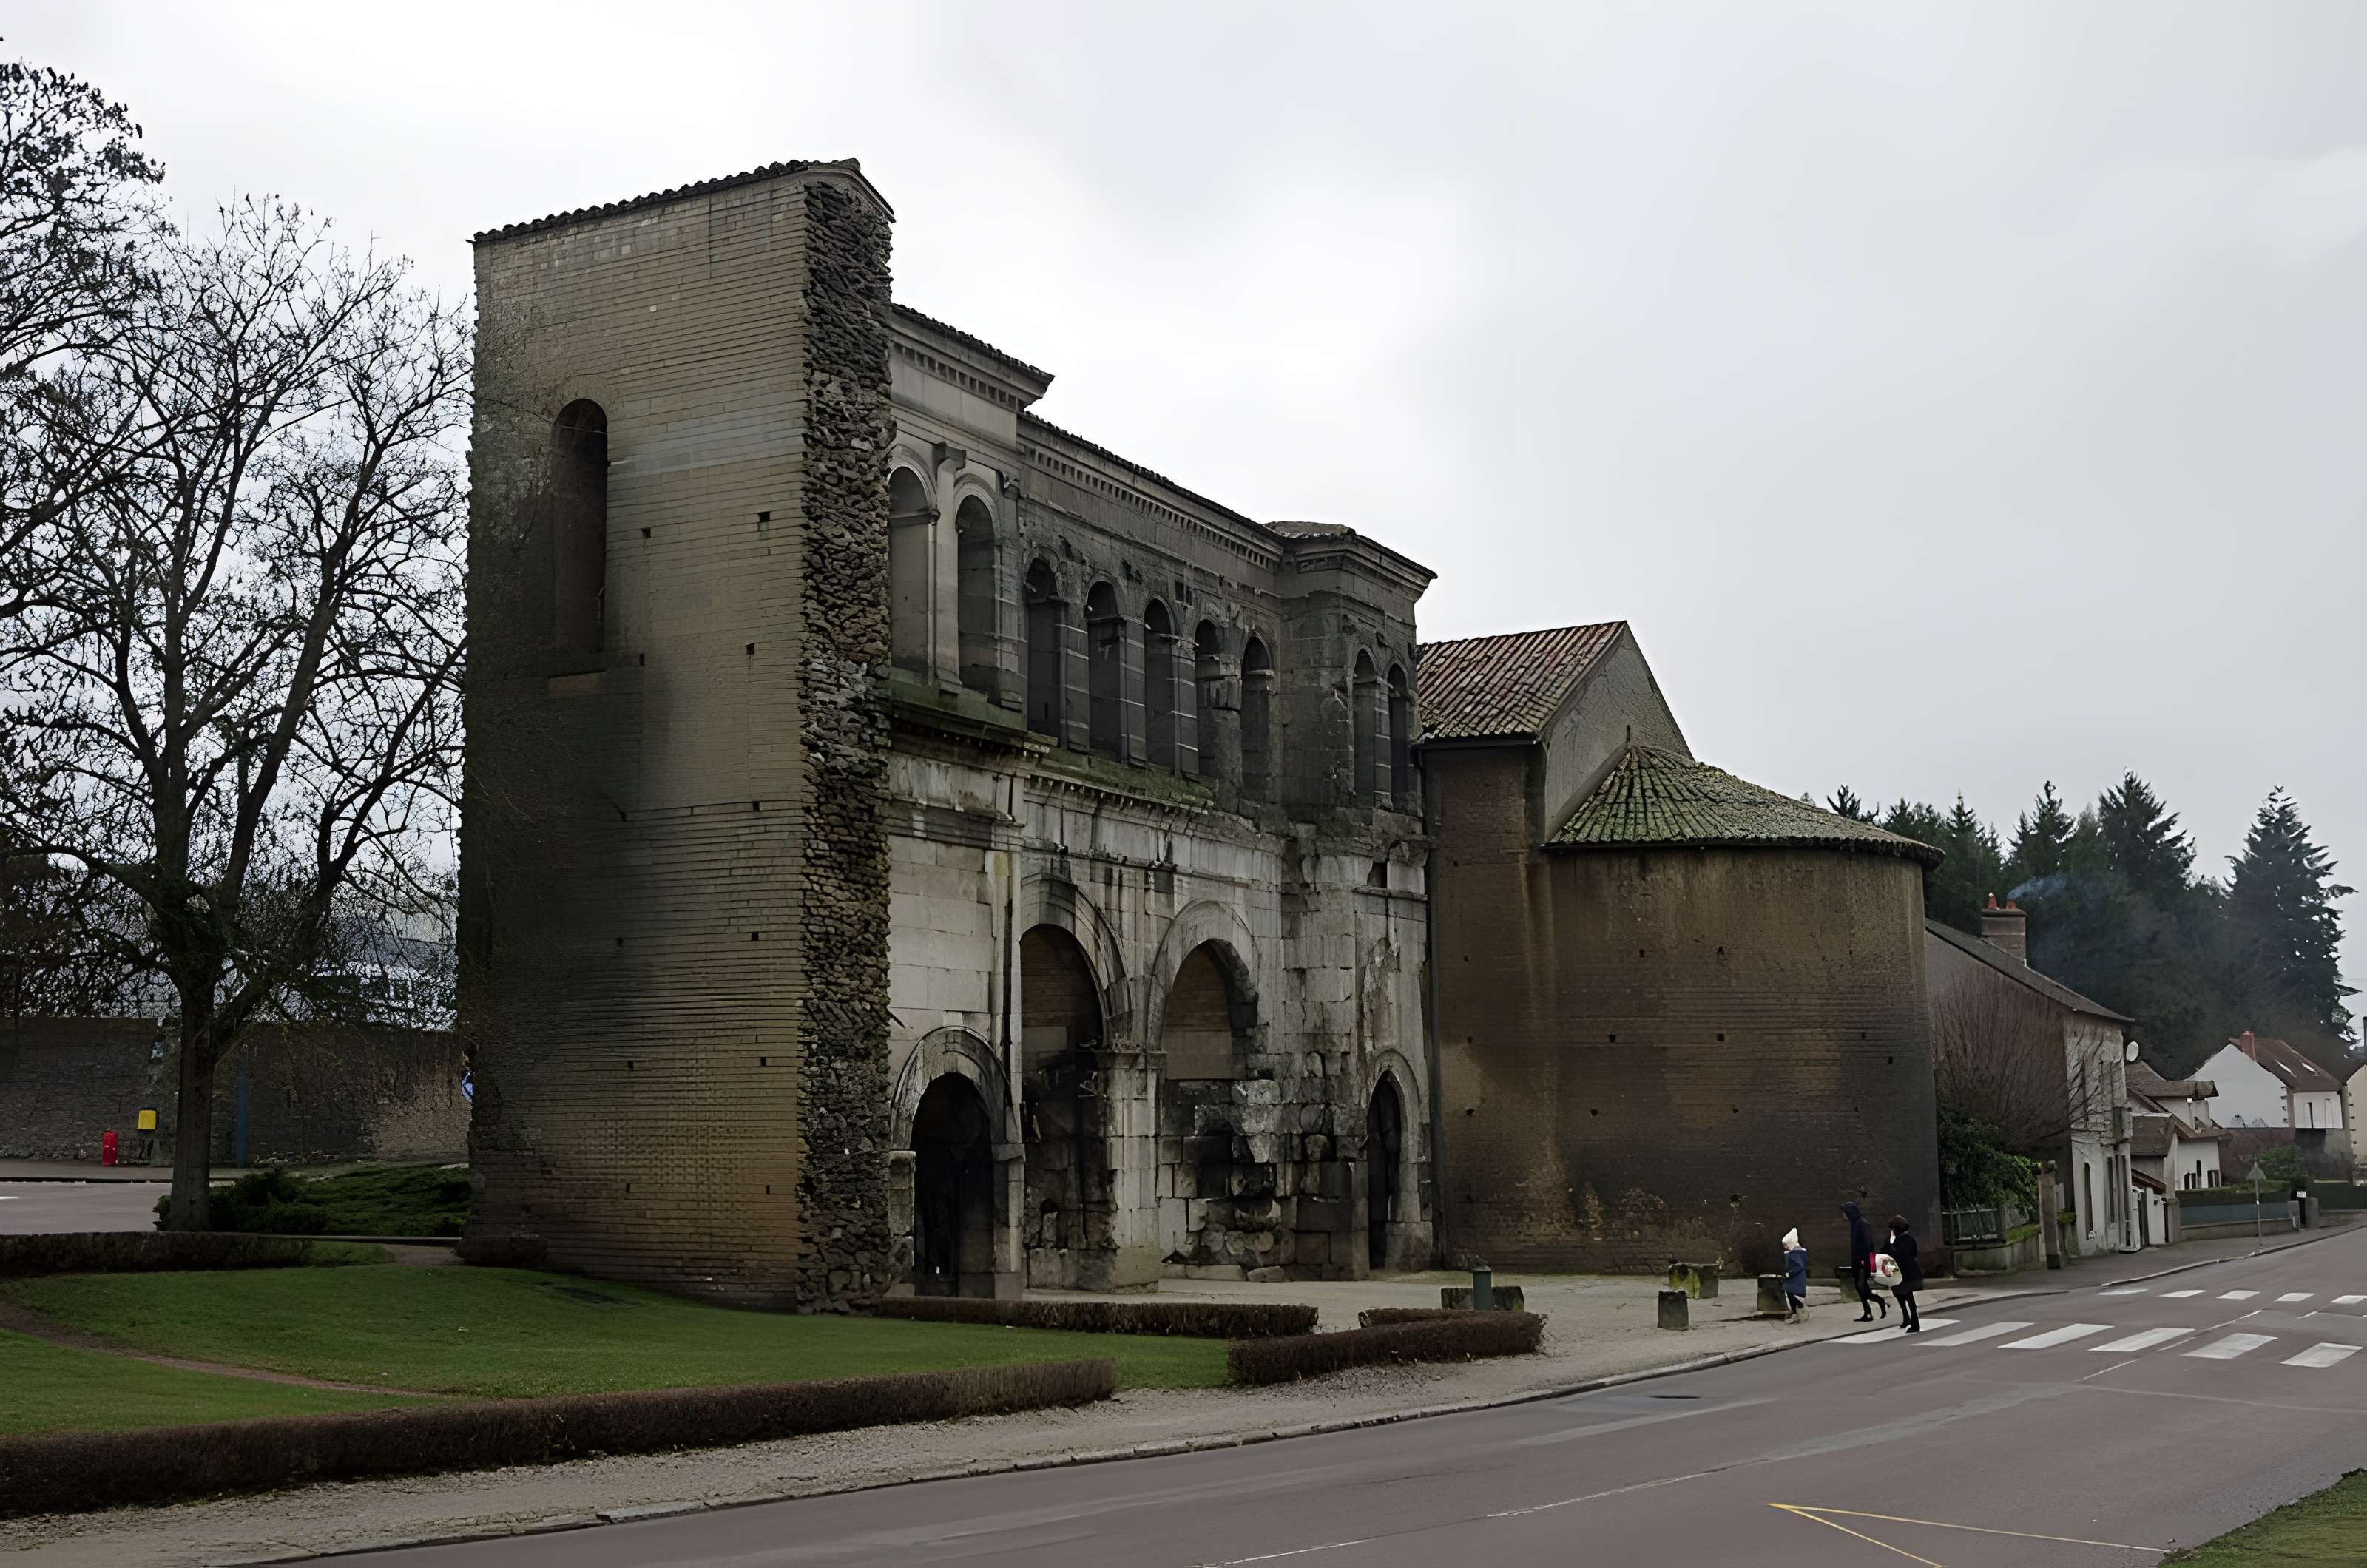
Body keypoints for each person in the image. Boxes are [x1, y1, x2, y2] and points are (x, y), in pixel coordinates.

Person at [1841, 1201, 1885, 1322]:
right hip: (1857, 1262)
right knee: (1860, 1287)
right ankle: (1871, 1309)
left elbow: (1869, 1245)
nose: (1844, 1215)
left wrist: (1869, 1264)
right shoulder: (1854, 1225)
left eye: (1845, 1212)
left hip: (1863, 1262)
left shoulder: (1863, 1225)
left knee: (1861, 1287)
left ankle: (1874, 1307)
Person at [1887, 1214, 1923, 1333]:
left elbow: (1896, 1257)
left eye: (1892, 1229)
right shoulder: (1910, 1238)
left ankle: (1914, 1322)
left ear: (1896, 1229)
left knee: (1903, 1295)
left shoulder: (1898, 1242)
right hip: (1912, 1271)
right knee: (1907, 1296)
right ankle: (1909, 1319)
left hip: (1903, 1273)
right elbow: (1914, 1253)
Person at [1780, 1228, 1809, 1322]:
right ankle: (1797, 1311)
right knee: (1790, 1293)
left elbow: (1799, 1266)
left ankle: (1798, 1310)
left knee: (1790, 1292)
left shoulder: (1794, 1254)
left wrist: (1790, 1273)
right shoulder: (1799, 1253)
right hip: (1797, 1276)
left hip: (1794, 1276)